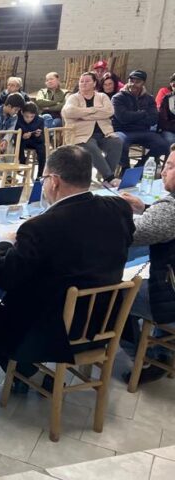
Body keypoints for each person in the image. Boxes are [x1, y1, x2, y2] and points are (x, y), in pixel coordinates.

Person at [0, 145, 135, 389]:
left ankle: (30, 374)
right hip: (104, 322)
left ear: (53, 181)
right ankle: (26, 373)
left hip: (56, 331)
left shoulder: (42, 227)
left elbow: (3, 276)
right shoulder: (119, 209)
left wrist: (5, 243)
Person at [119, 150, 175, 384]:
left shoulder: (170, 210)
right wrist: (145, 208)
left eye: (170, 166)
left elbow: (129, 235)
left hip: (171, 299)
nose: (163, 171)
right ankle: (163, 349)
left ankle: (148, 358)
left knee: (117, 294)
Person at [62, 72, 124, 187]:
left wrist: (83, 115)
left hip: (104, 133)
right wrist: (94, 110)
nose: (83, 83)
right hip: (81, 135)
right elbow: (68, 112)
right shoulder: (73, 98)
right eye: (81, 81)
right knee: (90, 146)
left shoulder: (102, 96)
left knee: (116, 142)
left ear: (94, 83)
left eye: (87, 81)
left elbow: (109, 111)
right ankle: (110, 178)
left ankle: (106, 176)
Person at [112, 70, 170, 170]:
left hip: (143, 131)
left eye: (137, 82)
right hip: (122, 131)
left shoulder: (149, 98)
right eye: (131, 81)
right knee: (119, 143)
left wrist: (132, 117)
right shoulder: (118, 98)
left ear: (143, 83)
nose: (133, 84)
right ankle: (125, 169)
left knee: (163, 145)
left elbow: (153, 119)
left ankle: (140, 166)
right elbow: (123, 118)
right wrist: (142, 113)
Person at [17, 102, 47, 179]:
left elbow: (42, 138)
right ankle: (22, 161)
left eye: (32, 116)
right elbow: (14, 135)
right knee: (19, 144)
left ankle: (40, 175)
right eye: (26, 116)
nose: (29, 119)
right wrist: (22, 136)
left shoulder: (40, 120)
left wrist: (38, 135)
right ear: (22, 113)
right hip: (22, 141)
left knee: (42, 148)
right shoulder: (18, 120)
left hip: (35, 141)